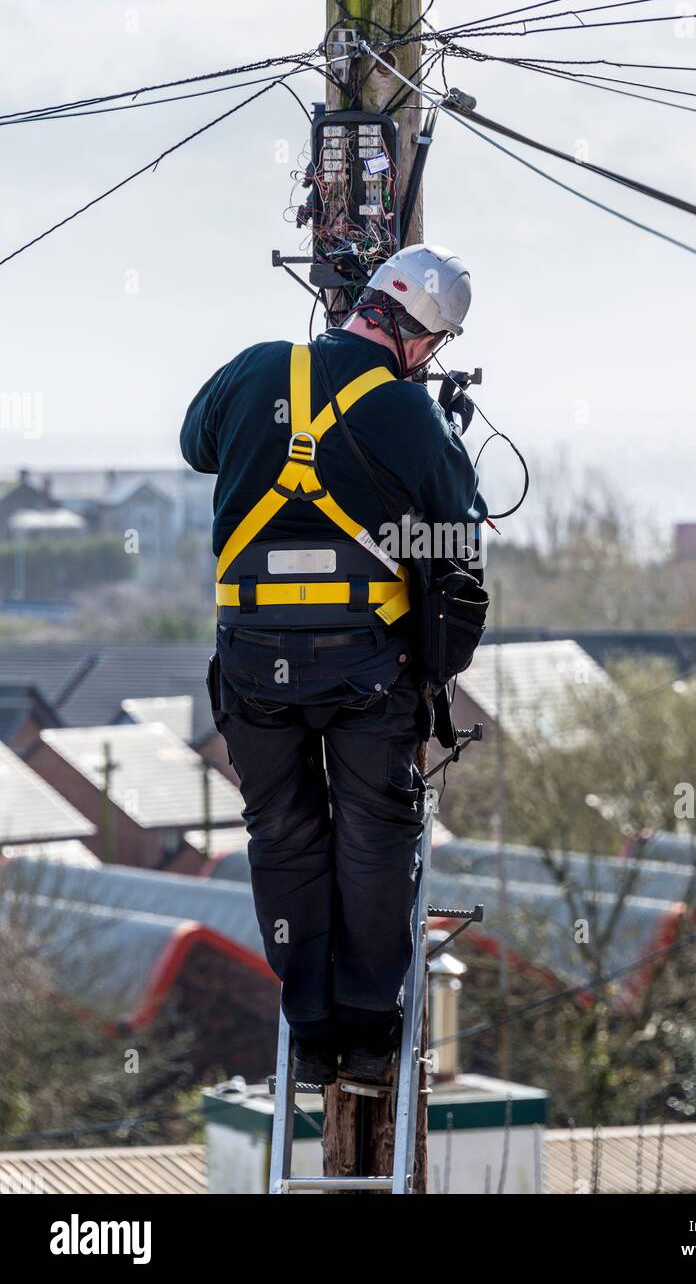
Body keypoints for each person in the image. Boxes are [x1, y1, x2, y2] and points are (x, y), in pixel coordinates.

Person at [180, 243, 486, 1084]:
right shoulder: (409, 416)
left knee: (282, 834)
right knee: (374, 840)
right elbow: (459, 547)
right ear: (424, 342)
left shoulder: (251, 372)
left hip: (254, 668)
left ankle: (311, 1032)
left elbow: (197, 445)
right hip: (365, 672)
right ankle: (369, 1032)